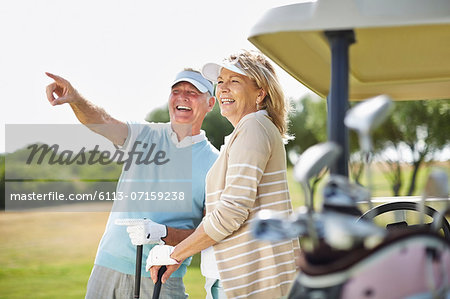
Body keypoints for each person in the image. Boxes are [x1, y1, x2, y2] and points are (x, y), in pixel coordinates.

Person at [45, 69, 219, 298]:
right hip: (106, 268)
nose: (182, 96)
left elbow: (209, 233)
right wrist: (75, 99)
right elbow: (102, 120)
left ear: (210, 103)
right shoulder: (144, 135)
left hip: (161, 277)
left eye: (192, 92)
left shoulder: (216, 164)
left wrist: (162, 232)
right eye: (176, 91)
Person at [147, 50, 300, 299]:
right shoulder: (251, 130)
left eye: (234, 81)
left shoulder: (252, 128)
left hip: (246, 282)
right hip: (237, 278)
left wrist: (175, 253)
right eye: (220, 82)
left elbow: (231, 212)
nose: (223, 89)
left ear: (260, 93)